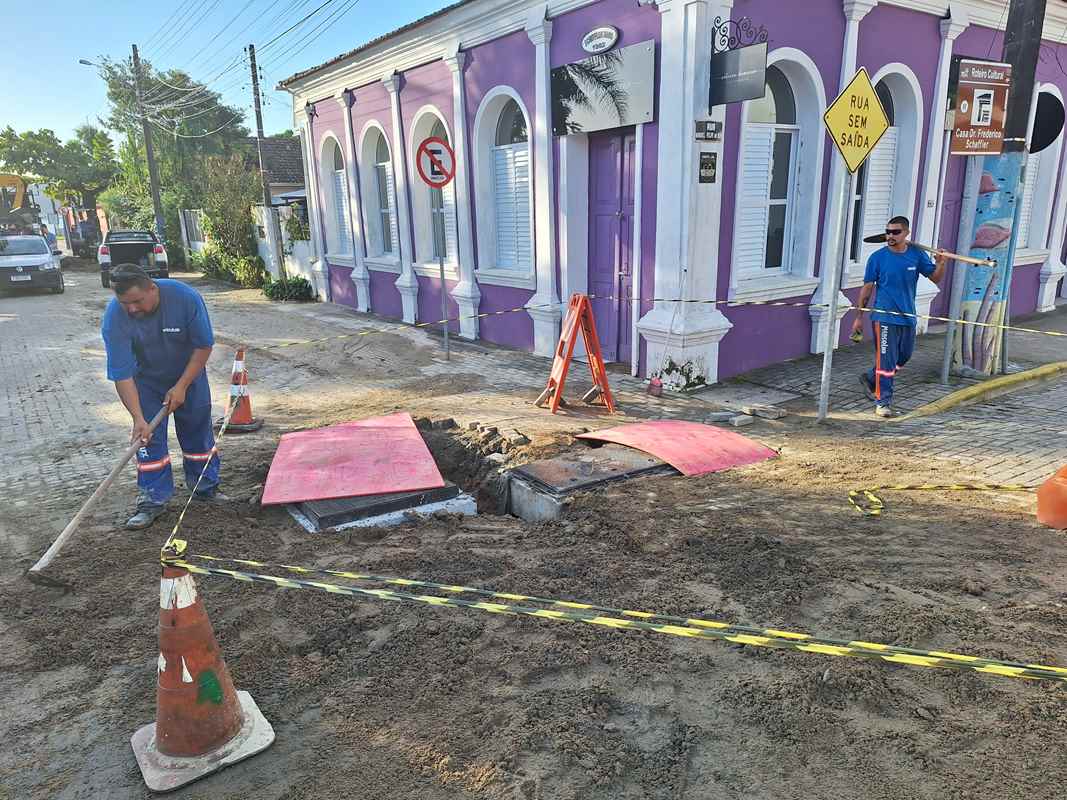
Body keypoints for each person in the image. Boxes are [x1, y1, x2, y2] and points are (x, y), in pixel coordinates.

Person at [101, 265, 223, 529]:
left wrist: (181, 386)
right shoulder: (114, 318)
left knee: (197, 432)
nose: (131, 309)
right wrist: (137, 418)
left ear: (152, 289)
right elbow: (122, 374)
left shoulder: (184, 298)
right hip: (145, 382)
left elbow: (203, 345)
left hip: (189, 376)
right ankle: (151, 499)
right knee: (148, 441)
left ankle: (205, 489)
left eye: (137, 301)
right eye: (125, 303)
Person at [851, 215, 948, 418]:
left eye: (896, 232)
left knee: (903, 357)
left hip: (908, 316)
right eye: (888, 232)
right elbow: (867, 289)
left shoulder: (916, 255)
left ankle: (870, 377)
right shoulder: (877, 258)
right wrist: (859, 317)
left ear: (906, 233)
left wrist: (941, 263)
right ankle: (882, 402)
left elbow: (935, 278)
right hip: (884, 318)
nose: (890, 236)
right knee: (886, 362)